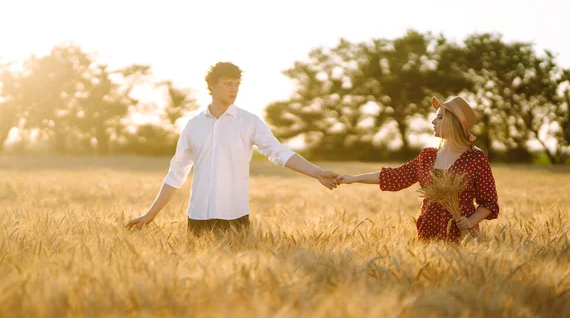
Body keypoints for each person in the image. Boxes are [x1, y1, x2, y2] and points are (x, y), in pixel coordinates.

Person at [126, 62, 339, 235]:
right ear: (211, 86)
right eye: (228, 83)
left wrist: (317, 172)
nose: (233, 89)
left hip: (234, 218)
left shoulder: (249, 122)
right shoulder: (193, 125)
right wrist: (150, 214)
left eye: (237, 84)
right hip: (197, 218)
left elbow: (279, 152)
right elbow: (176, 175)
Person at [335, 96, 499, 242]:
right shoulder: (427, 156)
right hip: (428, 231)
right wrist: (355, 178)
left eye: (440, 117)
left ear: (454, 122)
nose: (433, 122)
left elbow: (489, 203)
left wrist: (471, 221)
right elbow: (394, 176)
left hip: (462, 235)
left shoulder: (476, 159)